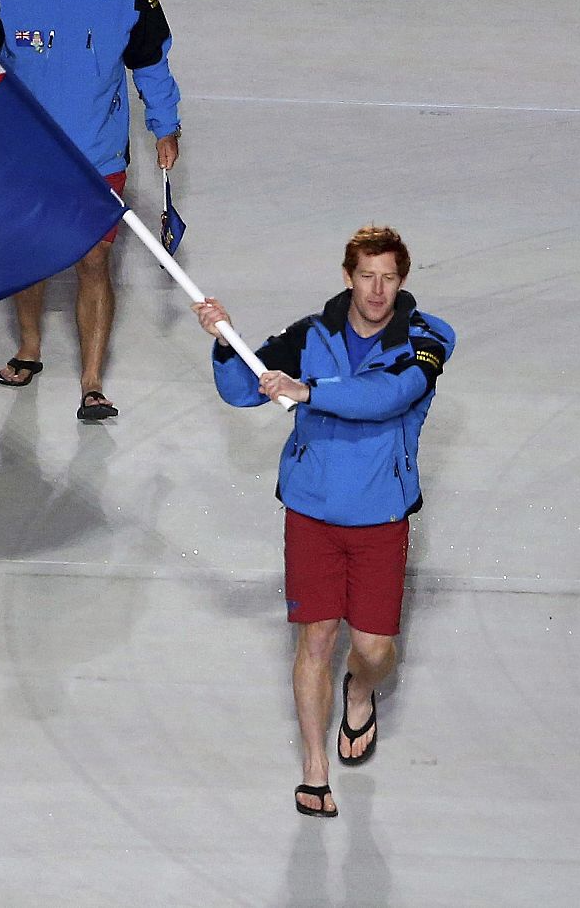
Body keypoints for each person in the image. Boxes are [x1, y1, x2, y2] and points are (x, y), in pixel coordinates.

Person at [191, 226, 454, 818]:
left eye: (389, 277)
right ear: (347, 276)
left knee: (375, 649)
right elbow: (240, 392)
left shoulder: (429, 339)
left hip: (380, 514)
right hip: (311, 511)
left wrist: (307, 390)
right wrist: (225, 342)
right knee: (316, 638)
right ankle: (315, 768)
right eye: (367, 275)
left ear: (402, 280)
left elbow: (387, 396)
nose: (378, 289)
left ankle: (359, 689)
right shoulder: (309, 336)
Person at [0, 0, 182, 422]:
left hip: (99, 153)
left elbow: (151, 62)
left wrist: (166, 125)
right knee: (31, 259)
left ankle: (91, 381)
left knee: (94, 259)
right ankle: (30, 346)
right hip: (27, 155)